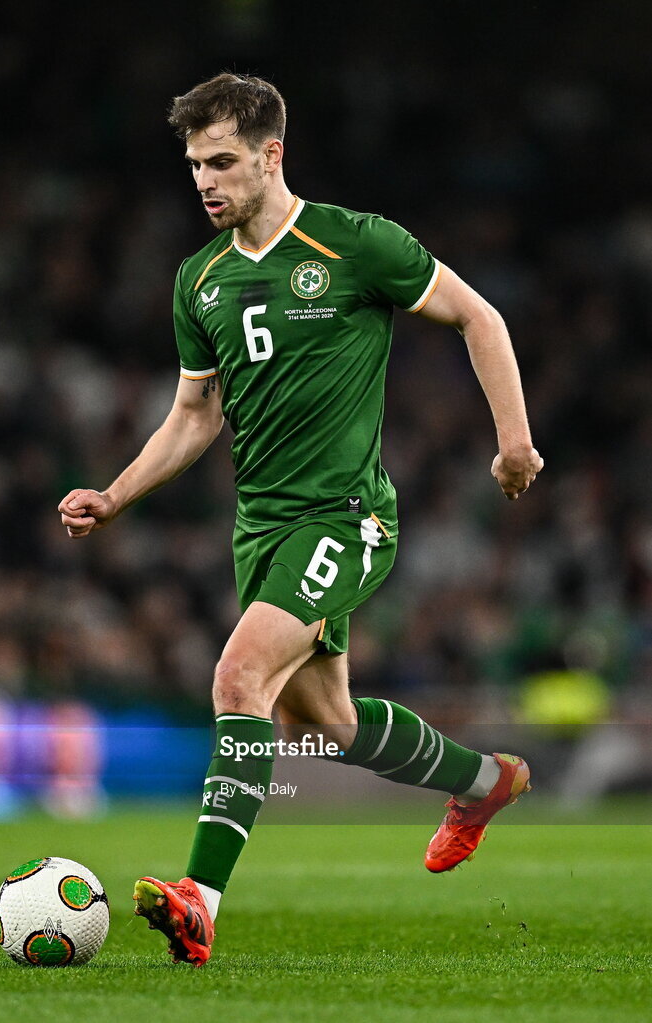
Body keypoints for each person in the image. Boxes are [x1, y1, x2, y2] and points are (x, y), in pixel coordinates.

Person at [58, 73, 544, 967]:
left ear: (271, 155)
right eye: (195, 164)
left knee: (238, 675)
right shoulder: (197, 280)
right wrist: (116, 493)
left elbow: (478, 316)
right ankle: (484, 781)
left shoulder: (354, 243)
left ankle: (198, 899)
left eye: (223, 161)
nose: (204, 180)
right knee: (324, 723)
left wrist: (512, 443)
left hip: (348, 514)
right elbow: (195, 417)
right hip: (264, 526)